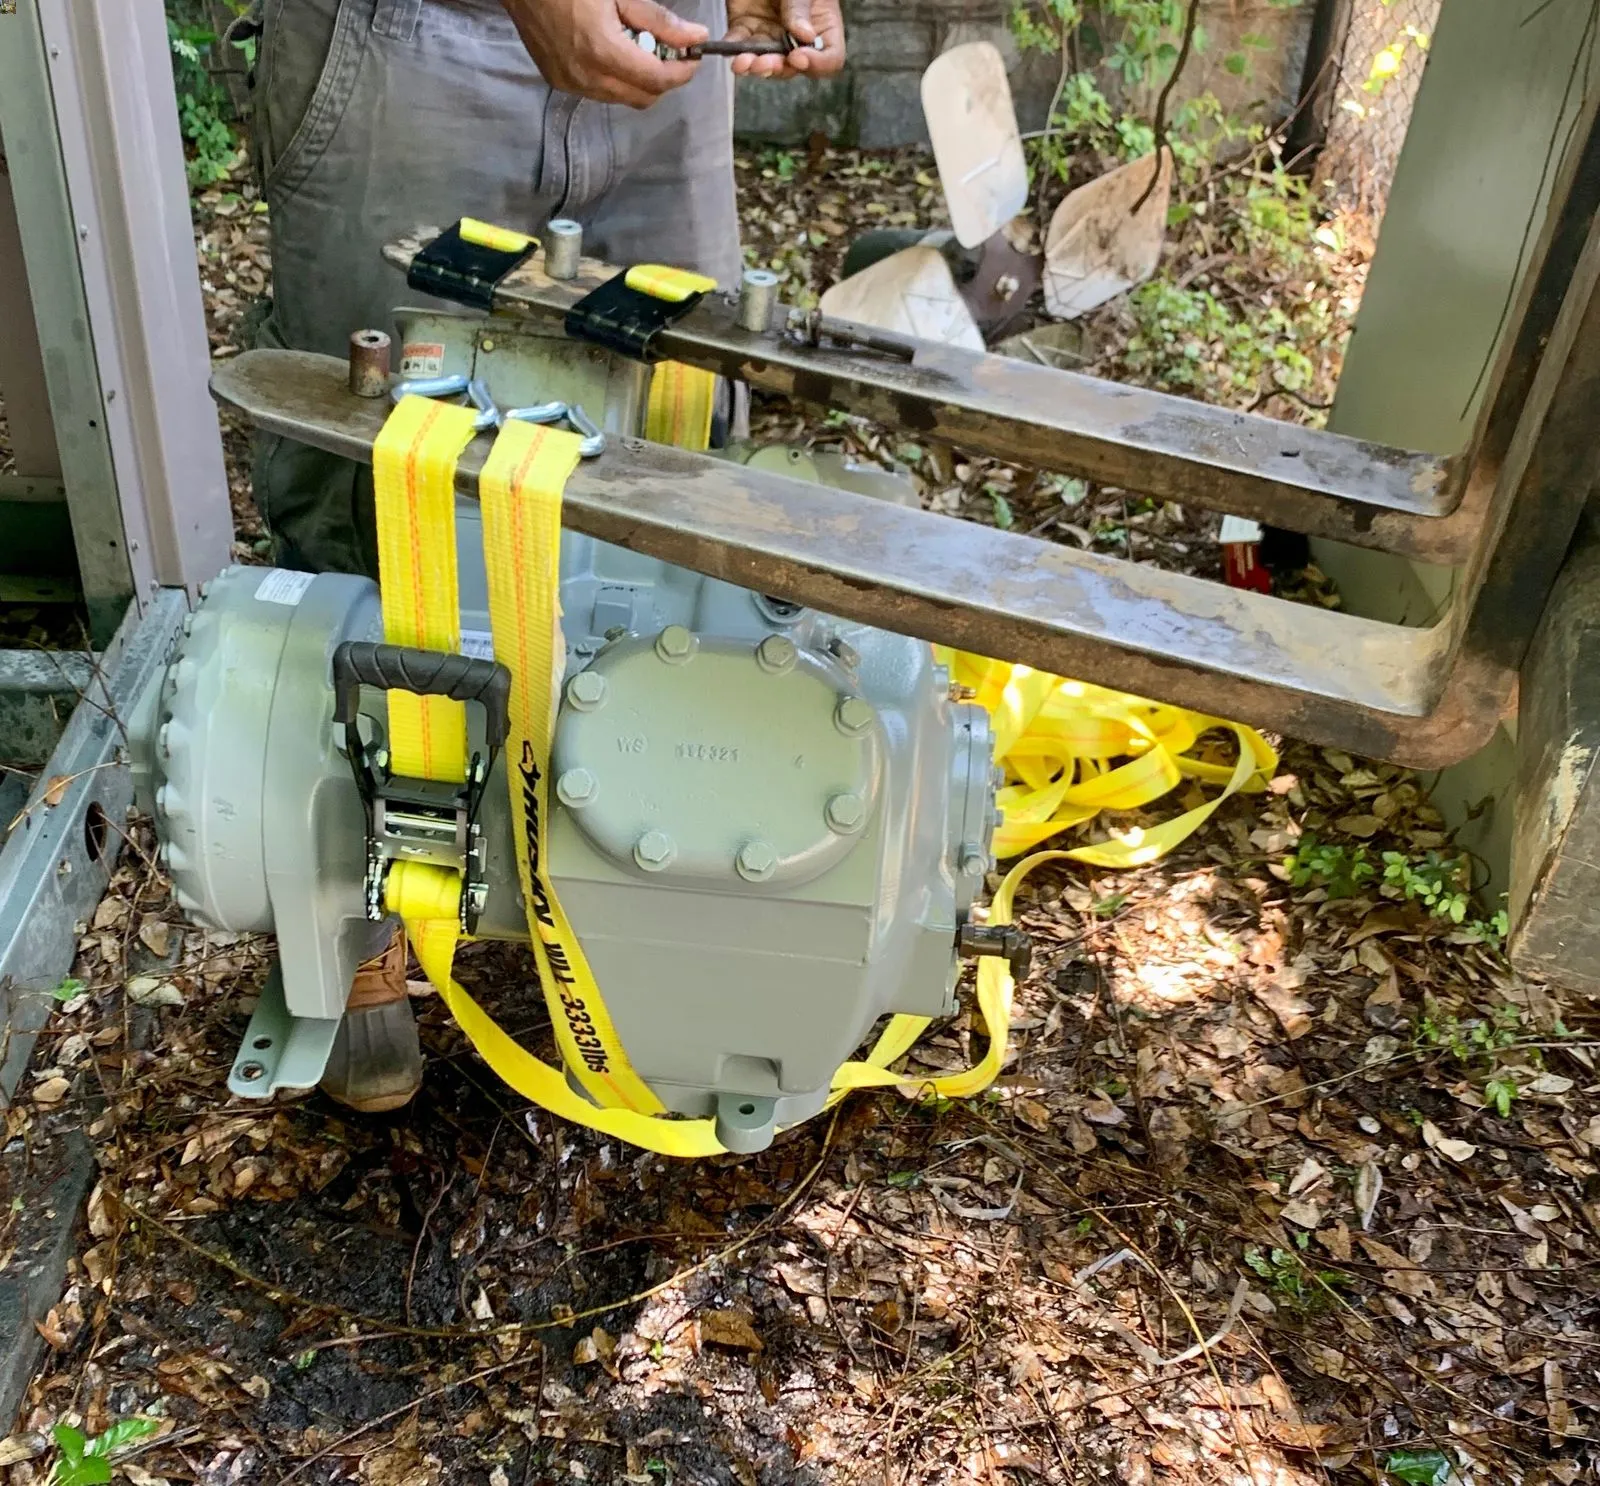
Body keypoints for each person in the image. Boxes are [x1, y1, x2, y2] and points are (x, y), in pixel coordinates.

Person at [241, 0, 845, 1113]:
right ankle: (352, 936)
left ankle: (651, 888)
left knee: (678, 476)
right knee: (369, 487)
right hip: (407, 40)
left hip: (674, 43)